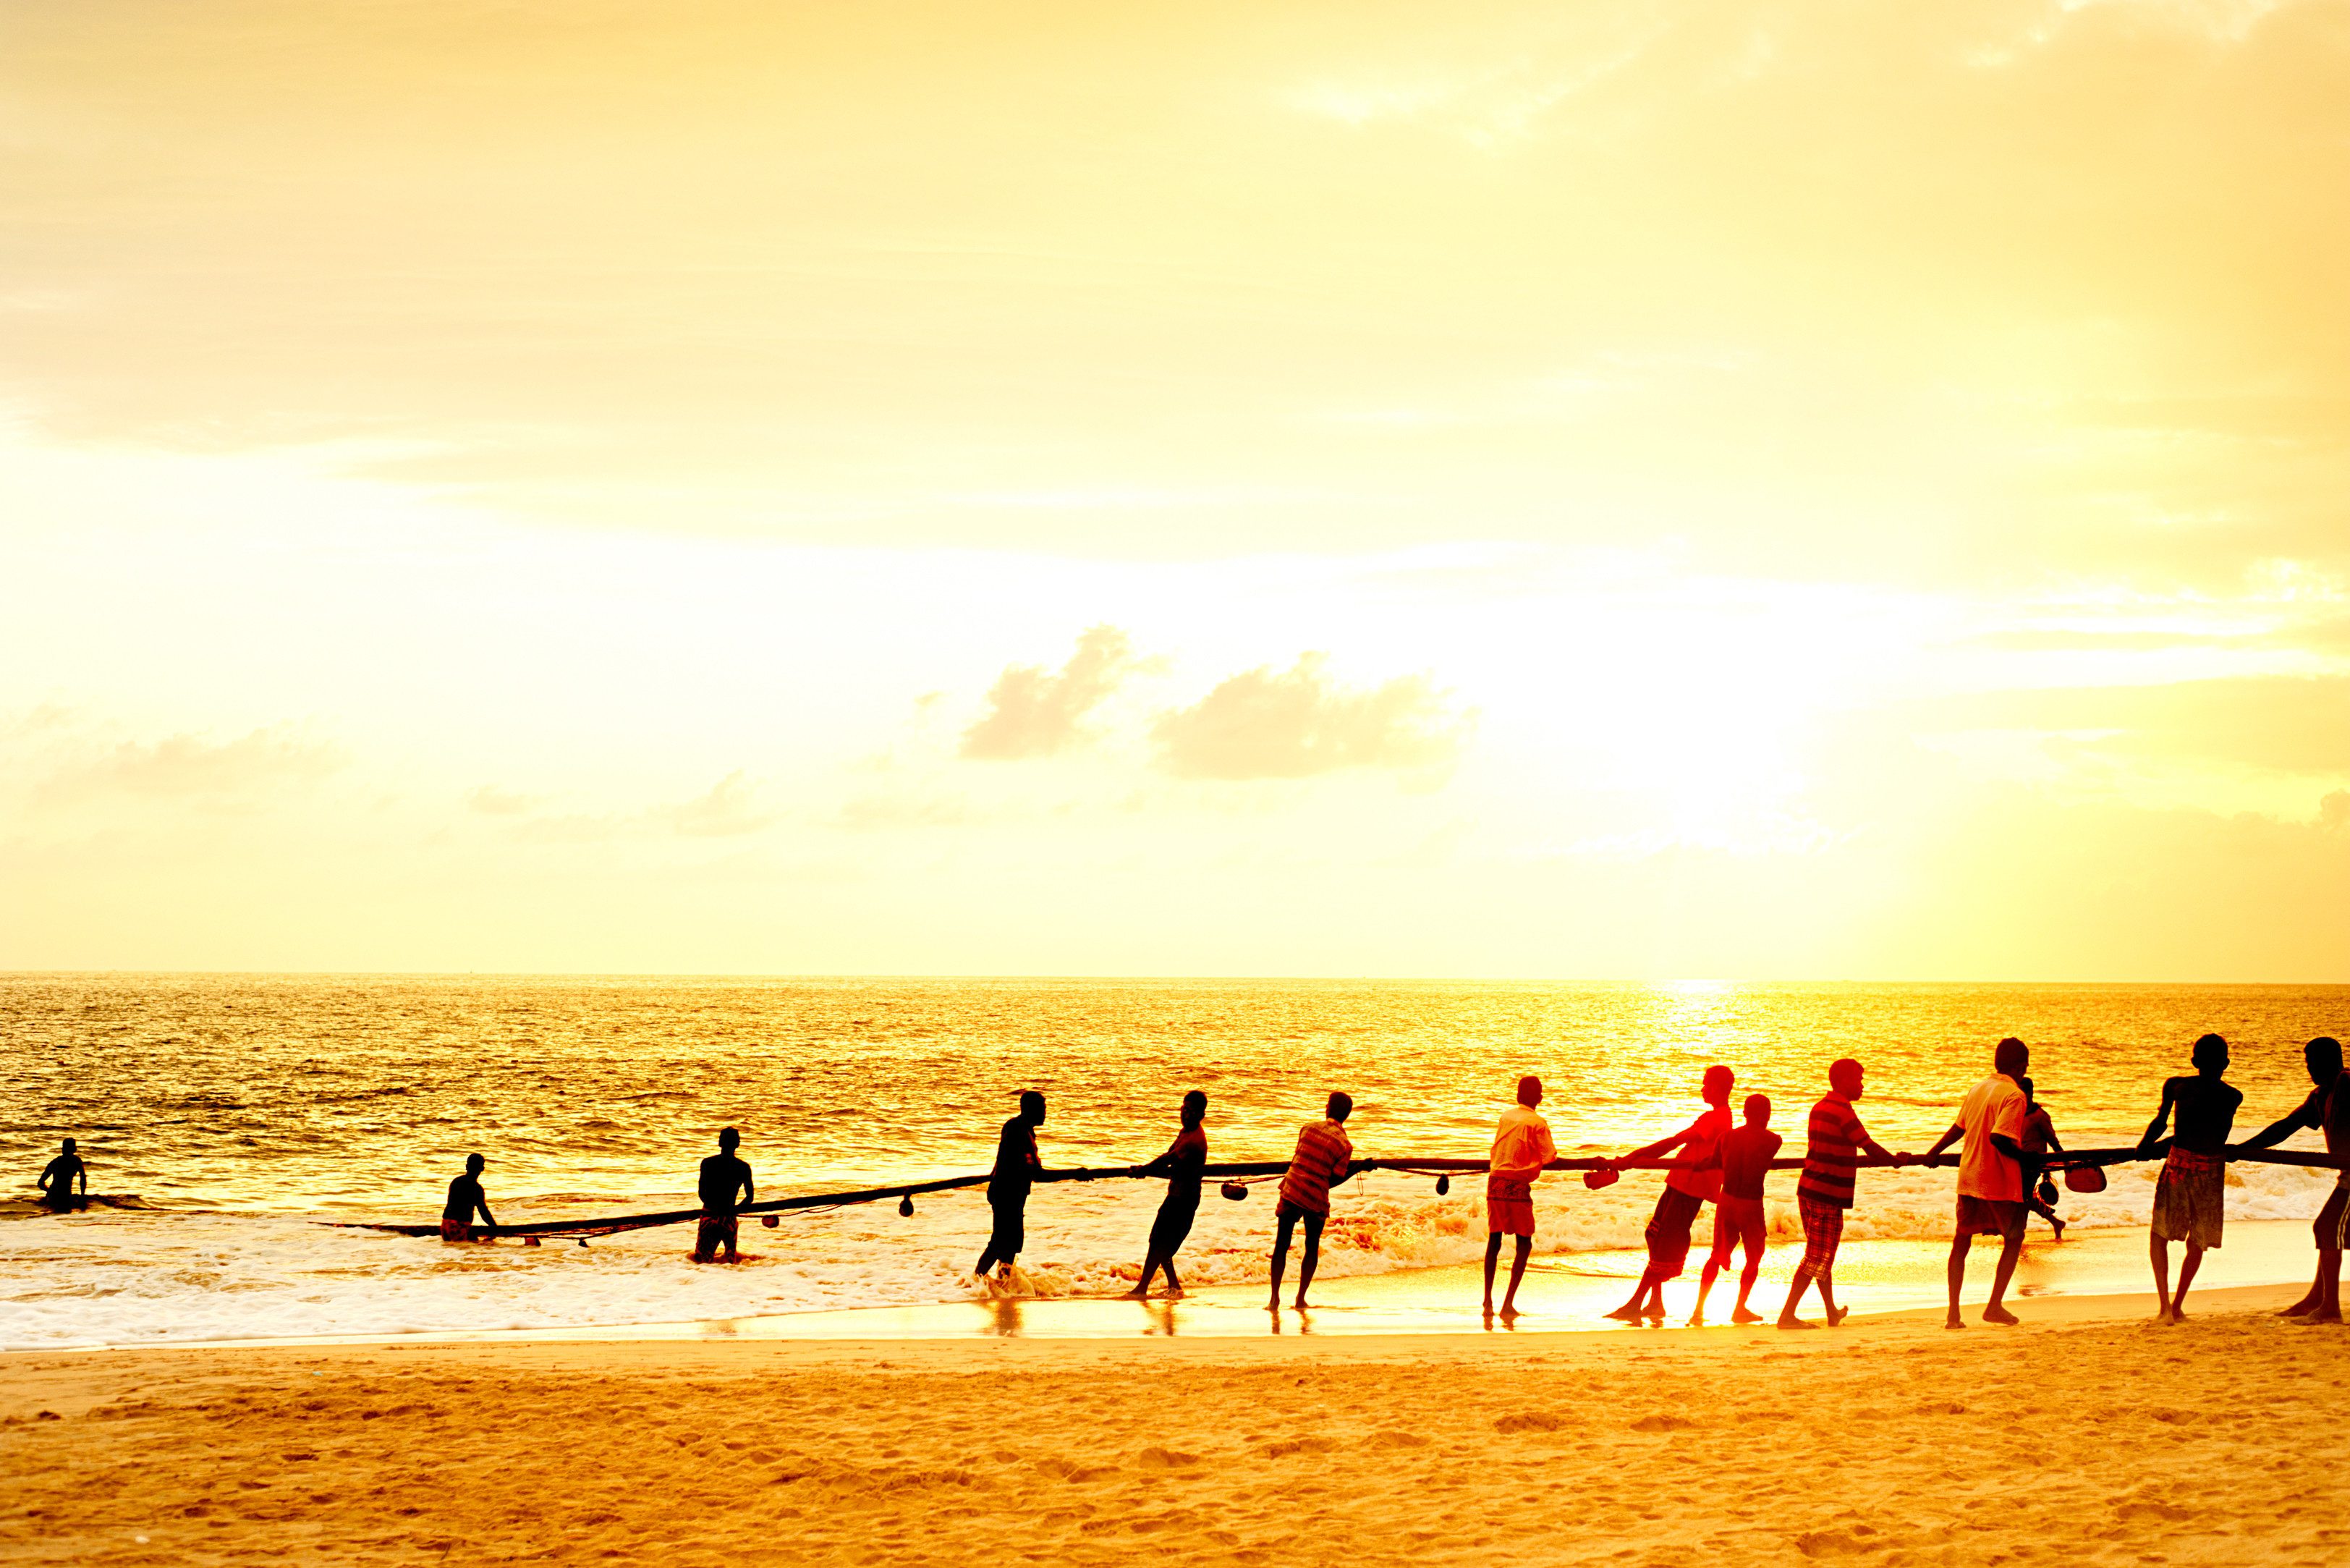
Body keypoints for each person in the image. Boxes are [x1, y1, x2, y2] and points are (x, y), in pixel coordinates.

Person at [1779, 1058, 1905, 1330]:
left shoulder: (1820, 1107)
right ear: (1844, 1081)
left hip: (1809, 1188)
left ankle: (1831, 1312)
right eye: (1859, 1080)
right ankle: (1787, 1315)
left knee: (1820, 1253)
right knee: (1817, 1256)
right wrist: (1897, 1161)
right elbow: (1867, 1145)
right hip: (1827, 1193)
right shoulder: (1842, 1111)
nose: (1862, 1085)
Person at [2231, 1035, 2349, 1324]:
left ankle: (2329, 1309)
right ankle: (2316, 1300)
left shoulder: (2347, 1082)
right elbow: (2285, 1127)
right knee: (2330, 1230)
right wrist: (2243, 1149)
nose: (2309, 1069)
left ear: (2331, 1062)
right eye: (2307, 1063)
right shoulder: (2319, 1096)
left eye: (2313, 1063)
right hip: (2347, 1173)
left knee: (2327, 1228)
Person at [1603, 1065, 1734, 1323]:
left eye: (1707, 1084)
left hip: (1690, 1188)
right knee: (1654, 1234)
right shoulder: (1714, 1117)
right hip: (1679, 1183)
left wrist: (1632, 1157)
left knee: (1665, 1242)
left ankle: (1635, 1303)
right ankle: (1655, 1303)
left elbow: (1673, 1142)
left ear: (1719, 1087)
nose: (1703, 1088)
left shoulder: (1718, 1118)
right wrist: (1634, 1158)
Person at [1923, 1037, 2034, 1328]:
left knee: (1961, 1242)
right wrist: (2026, 1158)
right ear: (2020, 1067)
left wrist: (1934, 1152)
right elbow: (1999, 1138)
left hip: (1969, 1176)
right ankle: (1994, 1305)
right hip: (1998, 1182)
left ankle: (1953, 1315)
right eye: (2025, 1065)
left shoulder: (1978, 1088)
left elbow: (1958, 1128)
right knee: (2014, 1239)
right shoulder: (2015, 1095)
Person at [2139, 1033, 2241, 1324]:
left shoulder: (2177, 1086)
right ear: (2226, 1064)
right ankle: (2177, 1305)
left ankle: (2165, 1307)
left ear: (2194, 1061)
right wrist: (2154, 1144)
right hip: (2211, 1169)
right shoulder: (2233, 1096)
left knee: (2159, 1234)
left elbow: (2163, 1124)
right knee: (2198, 1239)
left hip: (2179, 1167)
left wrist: (2144, 1147)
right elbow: (2212, 1133)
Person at [1691, 1093, 1780, 1327]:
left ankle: (1698, 1310)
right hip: (1750, 1203)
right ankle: (1739, 1308)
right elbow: (1762, 1158)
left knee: (1716, 1256)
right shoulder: (1773, 1140)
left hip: (1727, 1201)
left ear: (1744, 1113)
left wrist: (1699, 1165)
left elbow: (1714, 1162)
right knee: (1753, 1258)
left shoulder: (1726, 1137)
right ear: (1767, 1115)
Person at [1268, 1092, 1354, 1310]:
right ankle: (1300, 1299)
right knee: (1311, 1246)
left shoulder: (1307, 1128)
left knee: (1281, 1244)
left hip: (1292, 1188)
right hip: (1315, 1197)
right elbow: (1334, 1179)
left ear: (1328, 1109)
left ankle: (1274, 1299)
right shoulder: (1345, 1145)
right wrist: (1358, 1169)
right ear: (1347, 1115)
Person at [1484, 1075, 1558, 1319]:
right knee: (1524, 1244)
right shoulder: (1538, 1123)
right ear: (1540, 1098)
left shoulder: (1506, 1116)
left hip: (1495, 1182)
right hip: (1516, 1185)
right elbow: (1550, 1157)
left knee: (1494, 1241)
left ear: (1518, 1096)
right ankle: (1507, 1303)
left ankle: (1487, 1302)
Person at [1124, 1090, 1208, 1299]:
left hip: (1185, 1199)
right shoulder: (1185, 1132)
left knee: (1163, 1245)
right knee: (1157, 1241)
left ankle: (1145, 1288)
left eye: (1191, 1111)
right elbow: (1168, 1154)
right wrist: (1145, 1169)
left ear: (1201, 1115)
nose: (1186, 1114)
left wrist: (1143, 1170)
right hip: (1176, 1195)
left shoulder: (1194, 1140)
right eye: (1184, 1109)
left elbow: (1168, 1159)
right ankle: (1168, 1286)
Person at [975, 1091, 1046, 1279]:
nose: (1045, 1113)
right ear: (1030, 1110)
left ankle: (1003, 1282)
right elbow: (1037, 1174)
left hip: (1012, 1194)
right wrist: (1075, 1174)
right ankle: (975, 1281)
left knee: (1011, 1244)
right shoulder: (1018, 1131)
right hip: (1006, 1195)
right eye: (1041, 1109)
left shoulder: (1021, 1128)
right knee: (999, 1242)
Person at [693, 1127, 754, 1264]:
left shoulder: (708, 1163)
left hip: (709, 1216)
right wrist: (733, 1210)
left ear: (720, 1143)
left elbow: (702, 1193)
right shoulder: (743, 1167)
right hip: (729, 1219)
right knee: (730, 1261)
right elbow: (749, 1197)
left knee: (702, 1260)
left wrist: (715, 1210)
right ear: (738, 1144)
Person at [2019, 1077, 2067, 1240]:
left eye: (2021, 1092)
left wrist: (2065, 1161)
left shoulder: (2039, 1116)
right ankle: (2056, 1222)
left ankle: (2018, 1233)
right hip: (2018, 1162)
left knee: (2023, 1197)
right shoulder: (2016, 1113)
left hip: (2033, 1164)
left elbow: (2053, 1140)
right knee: (2023, 1197)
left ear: (2029, 1093)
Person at [440, 1153, 498, 1242]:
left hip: (445, 1225)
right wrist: (495, 1228)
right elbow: (483, 1212)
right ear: (482, 1169)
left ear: (467, 1167)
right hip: (459, 1227)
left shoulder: (456, 1181)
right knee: (481, 1246)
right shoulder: (477, 1188)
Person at [35, 1138, 87, 1213]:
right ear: (74, 1149)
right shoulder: (77, 1161)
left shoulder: (55, 1162)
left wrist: (50, 1191)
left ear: (62, 1149)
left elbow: (40, 1183)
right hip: (66, 1196)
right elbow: (83, 1180)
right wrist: (82, 1196)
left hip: (53, 1197)